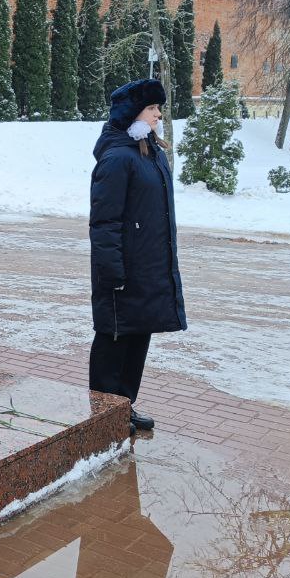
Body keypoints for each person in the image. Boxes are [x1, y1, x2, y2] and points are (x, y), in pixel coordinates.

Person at [88, 78, 186, 435]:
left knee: (137, 338)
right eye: (152, 108)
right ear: (133, 113)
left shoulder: (149, 151)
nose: (159, 114)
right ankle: (102, 416)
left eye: (159, 108)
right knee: (114, 341)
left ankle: (123, 408)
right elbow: (105, 221)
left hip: (146, 268)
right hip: (121, 270)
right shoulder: (117, 158)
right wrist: (112, 271)